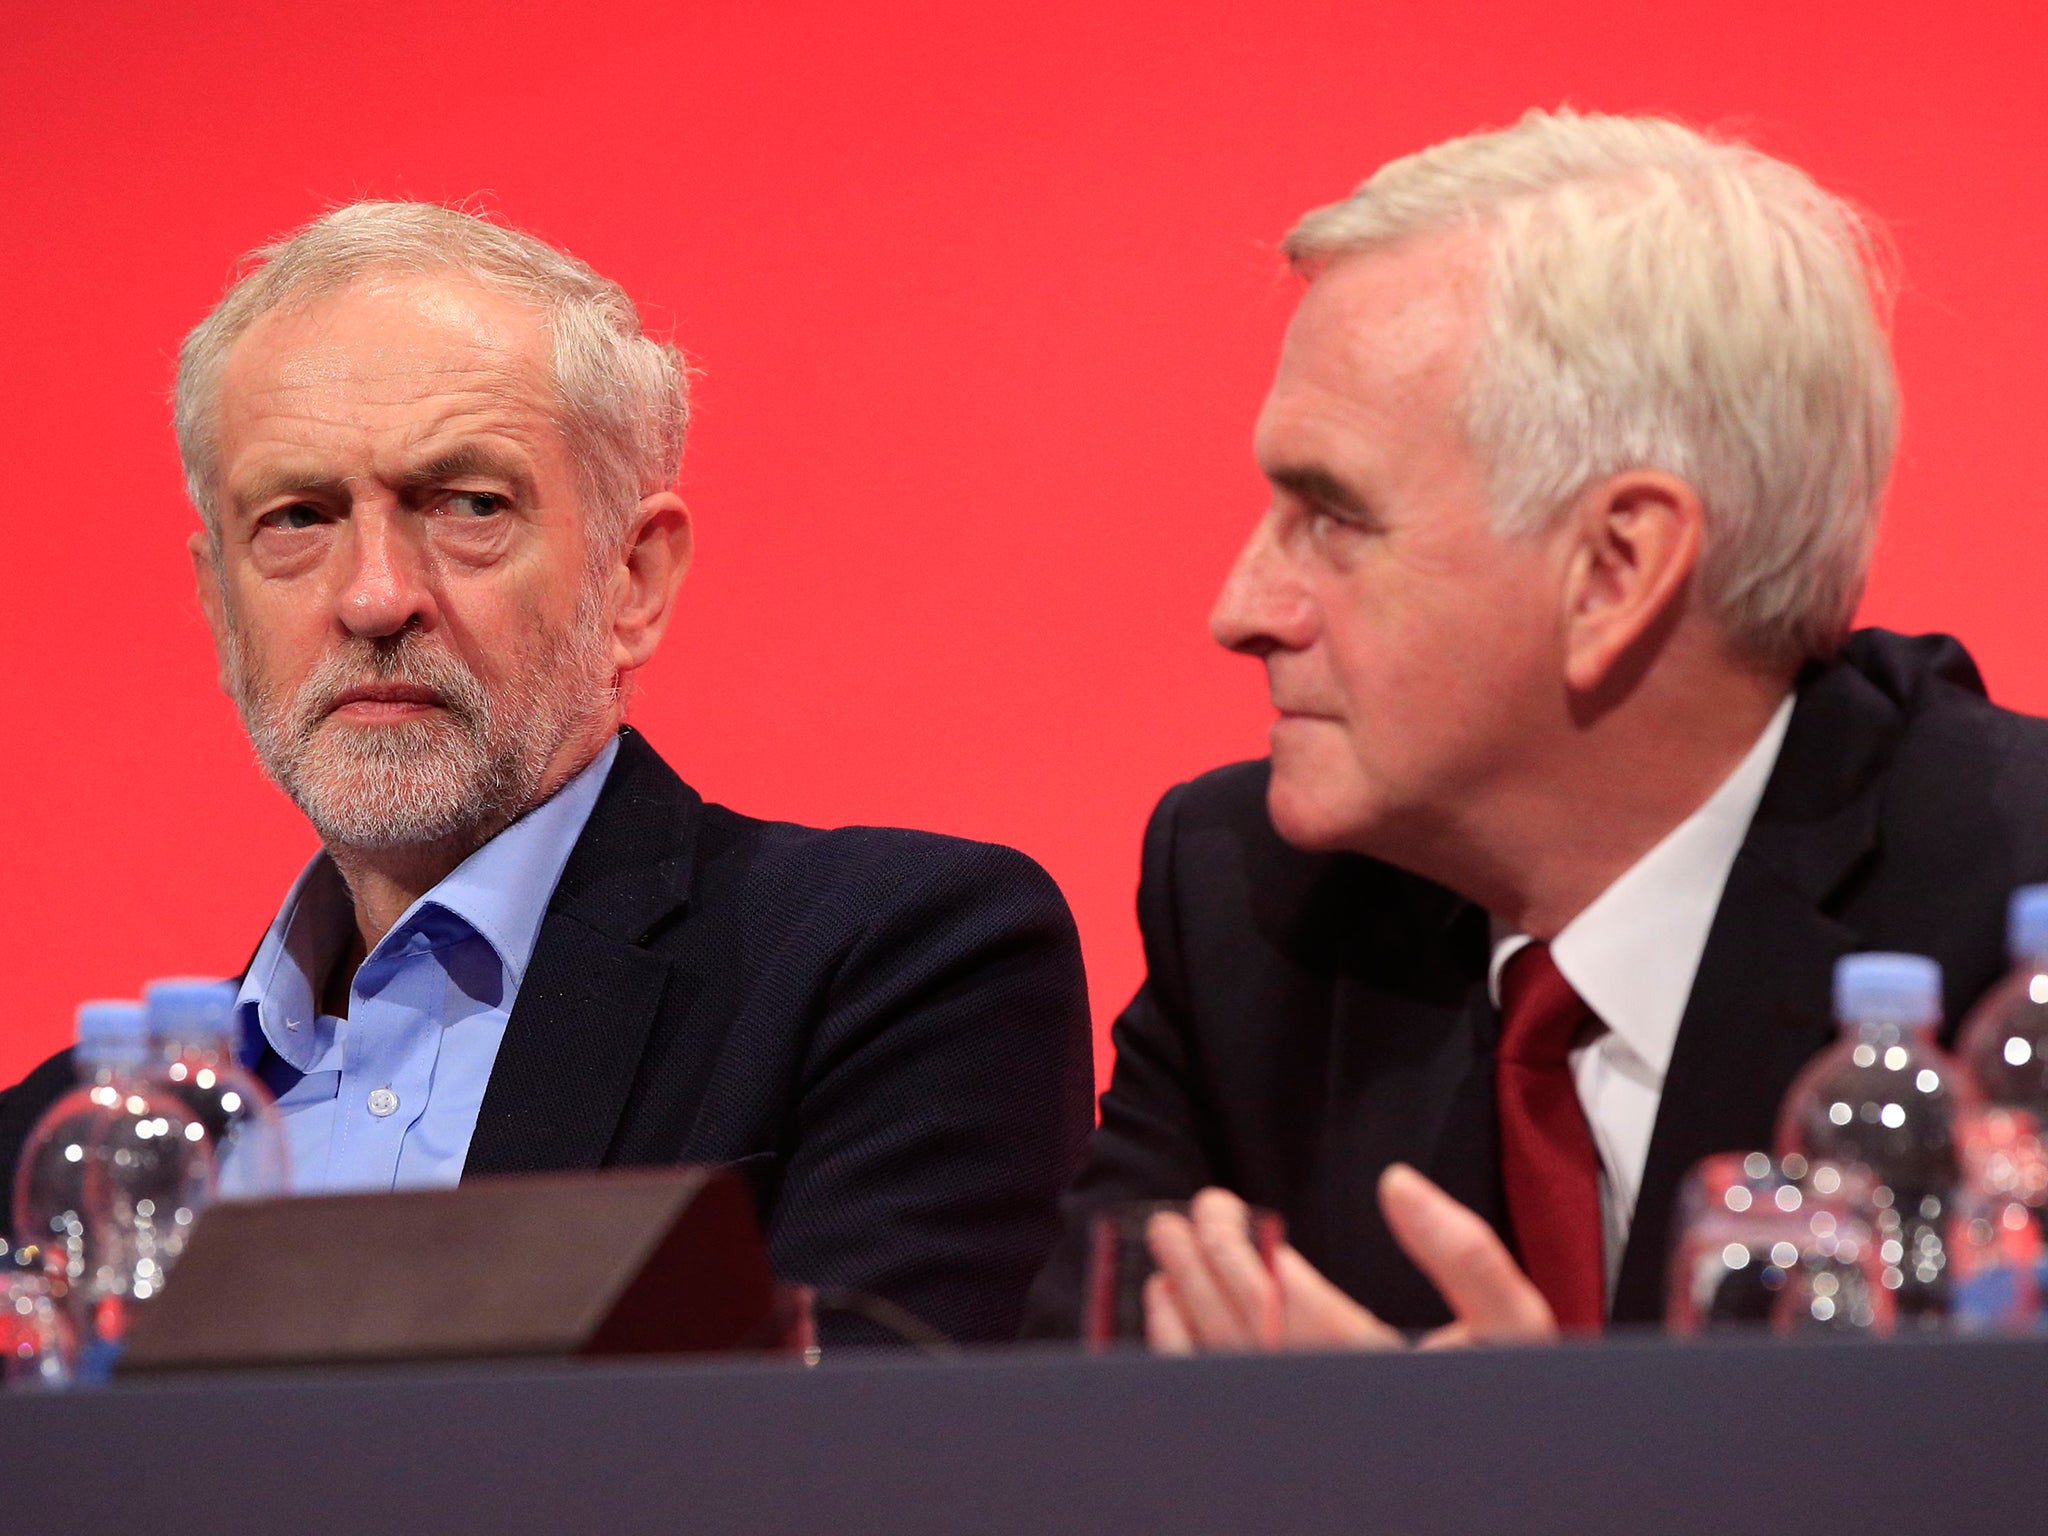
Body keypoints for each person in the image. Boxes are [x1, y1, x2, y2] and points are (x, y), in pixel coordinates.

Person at [1025, 109, 2048, 1348]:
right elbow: (1062, 1443)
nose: (1239, 611)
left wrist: (1525, 1480)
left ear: (1614, 569)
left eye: (1331, 519)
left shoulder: (2010, 915)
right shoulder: (1250, 906)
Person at [0, 202, 1094, 1346]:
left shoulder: (888, 967)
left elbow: (872, 1479)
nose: (374, 597)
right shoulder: (52, 1144)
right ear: (221, 609)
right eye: (298, 518)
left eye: (468, 504)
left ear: (632, 578)